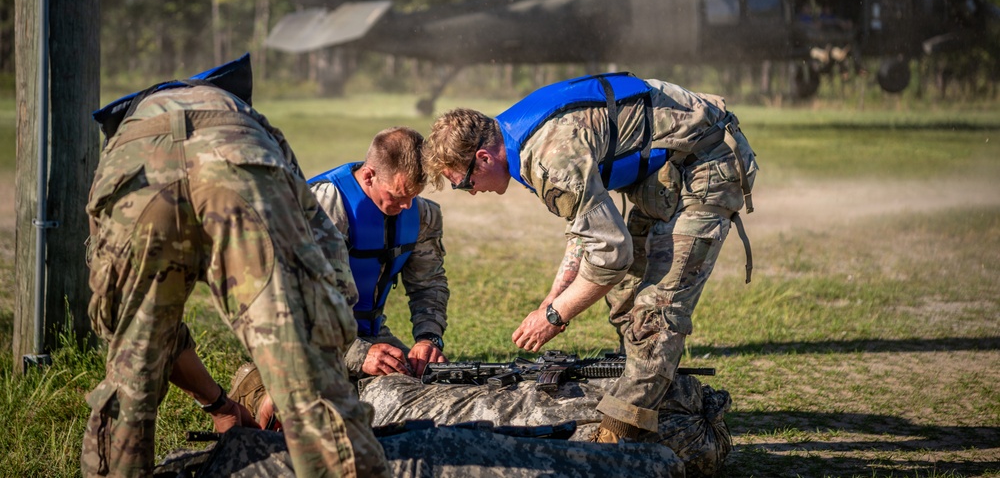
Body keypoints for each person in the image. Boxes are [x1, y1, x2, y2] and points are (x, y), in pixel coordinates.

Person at [81, 54, 390, 478]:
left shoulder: (126, 134)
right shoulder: (244, 116)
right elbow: (327, 249)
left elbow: (147, 331)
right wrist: (307, 357)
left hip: (134, 170)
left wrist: (221, 407)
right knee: (306, 375)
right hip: (238, 155)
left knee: (129, 381)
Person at [422, 72, 757, 445]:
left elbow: (613, 253)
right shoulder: (516, 134)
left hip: (702, 166)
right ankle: (657, 403)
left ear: (483, 157)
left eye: (463, 182)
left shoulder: (550, 159)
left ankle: (616, 440)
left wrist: (554, 316)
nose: (468, 192)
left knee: (655, 314)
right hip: (664, 174)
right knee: (626, 295)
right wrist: (555, 295)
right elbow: (588, 230)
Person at [233, 127, 450, 427]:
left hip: (369, 334)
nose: (406, 206)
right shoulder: (323, 207)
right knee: (315, 416)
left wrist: (428, 338)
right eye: (397, 196)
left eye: (413, 195)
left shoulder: (421, 214)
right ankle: (257, 386)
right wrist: (357, 354)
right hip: (303, 335)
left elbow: (429, 284)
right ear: (369, 175)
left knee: (432, 390)